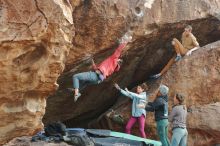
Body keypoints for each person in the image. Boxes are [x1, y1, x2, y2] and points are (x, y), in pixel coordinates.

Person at [70, 33, 132, 102]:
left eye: (119, 59)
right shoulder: (112, 69)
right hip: (98, 80)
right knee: (85, 82)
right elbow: (97, 69)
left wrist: (126, 41)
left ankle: (76, 93)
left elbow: (119, 50)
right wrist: (92, 62)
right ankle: (76, 89)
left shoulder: (114, 59)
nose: (118, 58)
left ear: (118, 61)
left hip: (96, 76)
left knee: (75, 76)